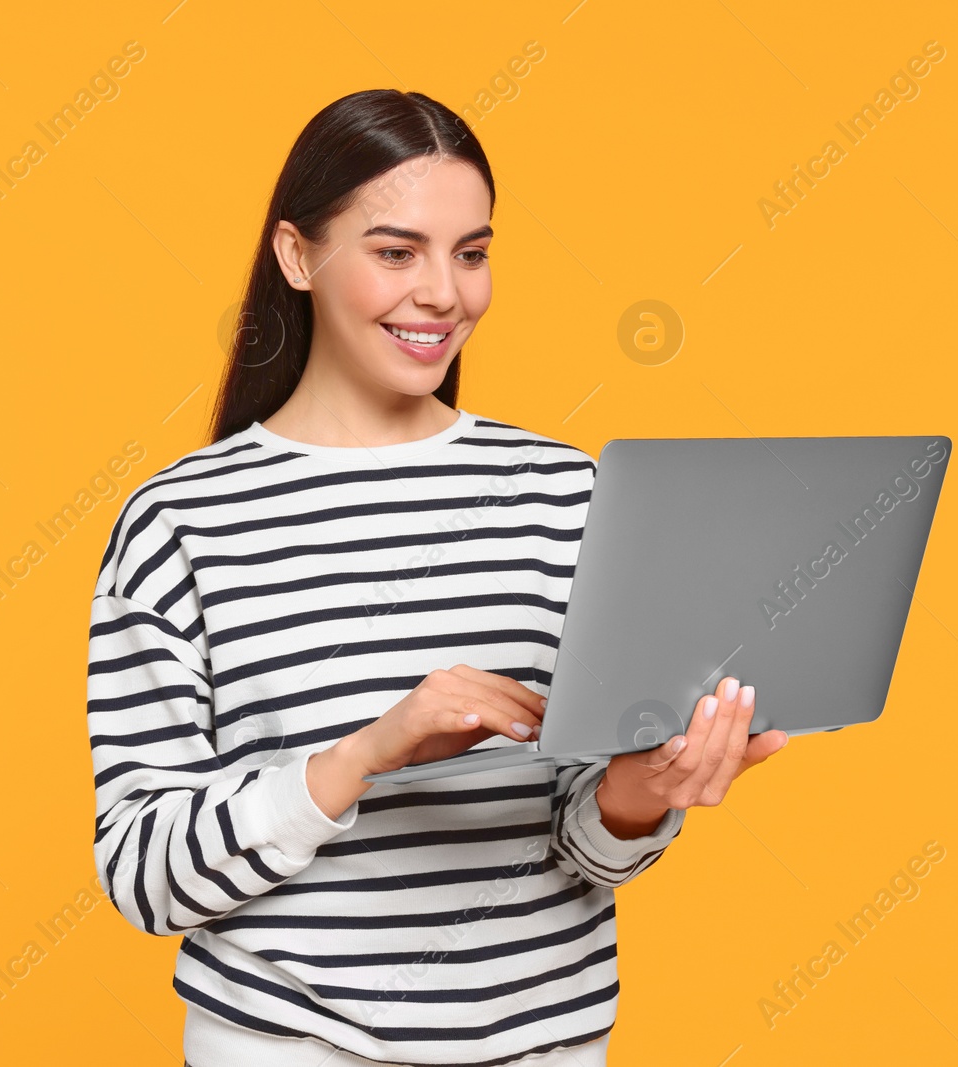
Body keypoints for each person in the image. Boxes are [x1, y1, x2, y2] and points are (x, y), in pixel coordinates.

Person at [85, 88, 790, 1067]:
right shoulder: (181, 522)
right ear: (297, 255)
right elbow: (143, 873)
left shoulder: (566, 494)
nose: (443, 294)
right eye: (394, 251)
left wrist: (642, 787)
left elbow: (586, 847)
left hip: (545, 1044)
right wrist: (365, 753)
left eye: (470, 253)